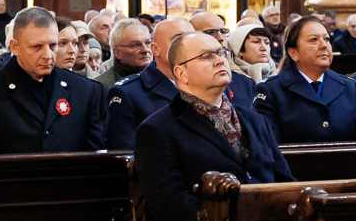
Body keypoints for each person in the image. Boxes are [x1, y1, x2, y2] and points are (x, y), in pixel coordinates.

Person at [134, 30, 293, 221]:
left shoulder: (255, 120)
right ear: (181, 74)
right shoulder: (158, 130)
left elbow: (285, 183)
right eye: (207, 56)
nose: (220, 60)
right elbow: (171, 208)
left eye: (221, 53)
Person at [0, 7, 106, 154]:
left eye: (53, 45)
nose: (47, 55)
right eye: (37, 47)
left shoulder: (85, 90)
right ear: (15, 47)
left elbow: (94, 158)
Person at [107, 16, 261, 150]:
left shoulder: (217, 84)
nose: (188, 44)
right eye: (178, 39)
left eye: (192, 38)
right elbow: (126, 154)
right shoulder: (129, 92)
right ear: (156, 49)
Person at [255, 13, 356, 144]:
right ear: (294, 53)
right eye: (314, 40)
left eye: (326, 39)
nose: (324, 45)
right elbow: (269, 147)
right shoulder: (271, 90)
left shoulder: (349, 87)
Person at [97, 20, 154, 91]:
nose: (145, 50)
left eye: (148, 43)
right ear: (117, 53)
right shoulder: (102, 88)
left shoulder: (162, 80)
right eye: (136, 45)